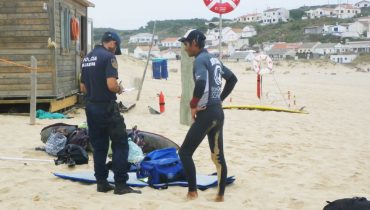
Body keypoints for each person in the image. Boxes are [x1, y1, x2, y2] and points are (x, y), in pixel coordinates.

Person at [178, 29, 238, 202]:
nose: (185, 47)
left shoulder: (200, 60)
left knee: (185, 153)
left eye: (186, 43)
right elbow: (232, 79)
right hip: (218, 113)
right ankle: (220, 196)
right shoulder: (214, 59)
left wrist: (193, 105)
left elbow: (202, 83)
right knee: (217, 156)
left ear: (194, 43)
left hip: (206, 114)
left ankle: (192, 192)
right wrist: (218, 99)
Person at [80, 31, 141, 195]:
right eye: (116, 48)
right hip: (106, 107)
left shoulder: (87, 58)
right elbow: (111, 85)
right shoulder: (108, 57)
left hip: (91, 107)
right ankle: (121, 184)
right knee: (120, 143)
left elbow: (83, 87)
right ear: (112, 43)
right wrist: (119, 88)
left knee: (99, 147)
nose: (115, 51)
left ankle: (101, 183)